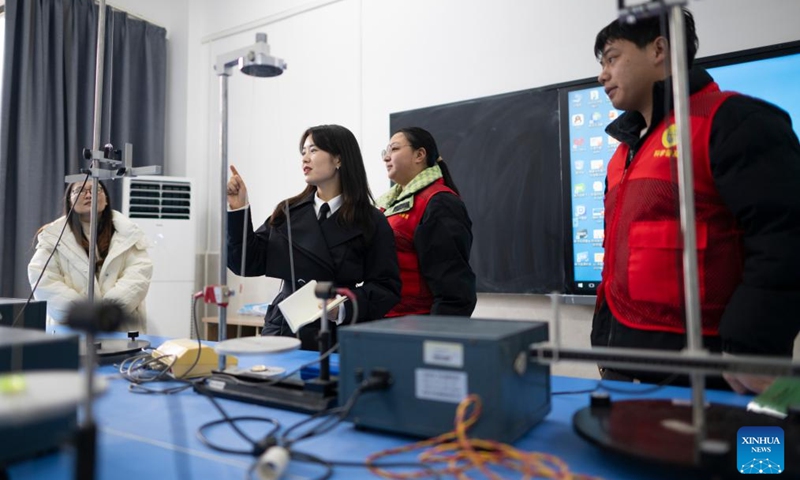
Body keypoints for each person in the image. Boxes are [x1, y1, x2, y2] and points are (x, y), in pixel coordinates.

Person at [590, 8, 800, 393]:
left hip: (725, 375)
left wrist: (752, 348)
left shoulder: (734, 122)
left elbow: (784, 240)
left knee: (759, 453)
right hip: (628, 372)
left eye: (612, 58)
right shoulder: (623, 154)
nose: (602, 74)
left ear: (658, 49)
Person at [226, 124, 401, 350]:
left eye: (314, 150)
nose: (305, 159)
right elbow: (245, 263)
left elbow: (386, 288)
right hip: (283, 332)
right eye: (303, 152)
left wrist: (342, 308)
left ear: (339, 159)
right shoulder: (287, 212)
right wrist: (239, 210)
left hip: (336, 335)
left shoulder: (371, 221)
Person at [376, 127, 476, 317]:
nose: (386, 157)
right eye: (385, 152)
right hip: (384, 322)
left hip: (415, 327)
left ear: (419, 154)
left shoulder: (440, 203)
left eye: (394, 149)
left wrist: (436, 338)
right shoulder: (386, 205)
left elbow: (454, 290)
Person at [28, 181, 153, 330]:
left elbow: (138, 276)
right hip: (72, 329)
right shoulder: (52, 236)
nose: (89, 194)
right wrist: (83, 314)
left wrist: (106, 313)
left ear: (106, 199)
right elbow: (44, 280)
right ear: (70, 200)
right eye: (80, 190)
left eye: (96, 190)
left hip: (118, 328)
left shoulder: (129, 234)